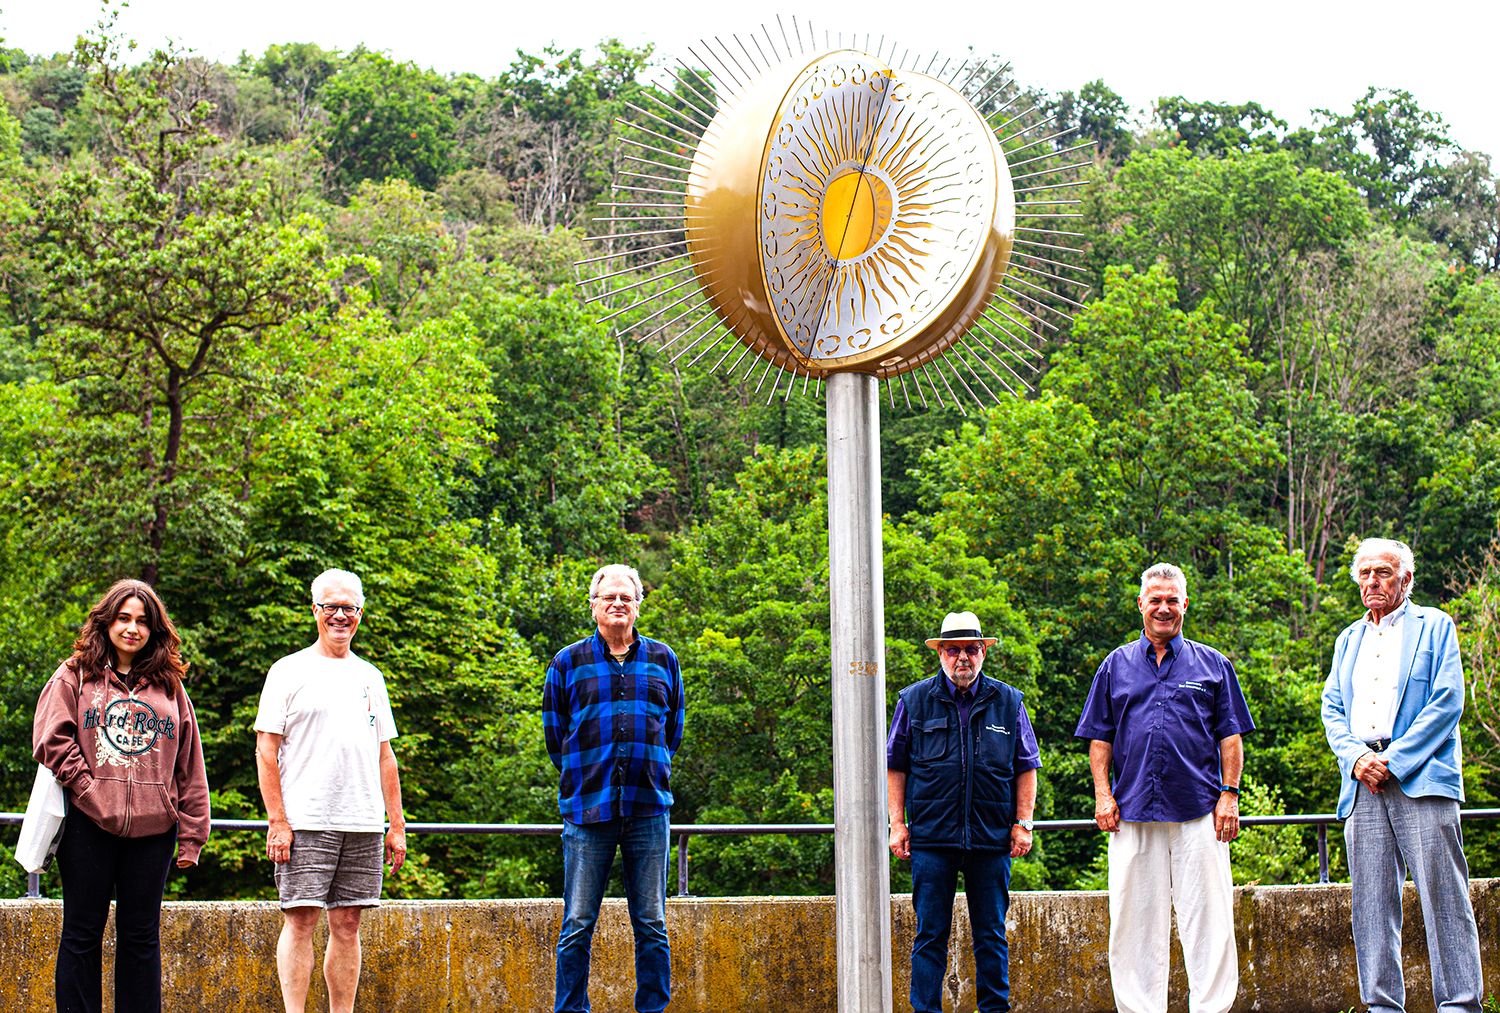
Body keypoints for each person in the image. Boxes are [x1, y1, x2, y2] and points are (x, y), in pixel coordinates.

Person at [1074, 562, 1254, 1013]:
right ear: (1140, 604)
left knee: (1210, 921)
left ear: (1185, 604)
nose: (1163, 607)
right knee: (1132, 923)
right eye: (1155, 599)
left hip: (1200, 812)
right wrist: (1102, 794)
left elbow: (1230, 739)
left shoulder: (1214, 665)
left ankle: (1211, 1009)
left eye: (1172, 599)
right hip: (1131, 810)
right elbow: (1101, 740)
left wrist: (1230, 796)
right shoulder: (1115, 665)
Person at [1320, 537, 1483, 1013]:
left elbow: (1447, 702)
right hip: (1362, 782)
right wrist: (1355, 759)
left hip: (1420, 777)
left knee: (1444, 898)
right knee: (1371, 905)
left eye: (1383, 572)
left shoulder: (1435, 626)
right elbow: (1332, 707)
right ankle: (1382, 1006)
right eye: (1365, 572)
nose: (1372, 580)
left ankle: (1459, 1005)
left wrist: (1393, 760)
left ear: (1405, 579)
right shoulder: (1348, 638)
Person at [33, 578, 211, 1013]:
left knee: (141, 937)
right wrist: (89, 789)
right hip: (87, 824)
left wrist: (192, 834)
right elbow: (51, 739)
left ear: (154, 630)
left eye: (143, 621)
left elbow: (190, 763)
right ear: (107, 621)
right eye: (124, 618)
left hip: (155, 828)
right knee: (80, 933)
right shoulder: (74, 675)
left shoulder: (170, 687)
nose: (132, 628)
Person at [254, 568, 405, 1013]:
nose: (341, 615)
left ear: (360, 613)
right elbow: (265, 751)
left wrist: (395, 824)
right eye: (332, 607)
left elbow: (385, 757)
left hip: (362, 821)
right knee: (301, 919)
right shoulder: (288, 670)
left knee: (349, 923)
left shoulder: (370, 676)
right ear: (315, 610)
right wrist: (278, 822)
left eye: (350, 607)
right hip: (305, 820)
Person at [543, 563, 685, 1013]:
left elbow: (673, 730)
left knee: (652, 923)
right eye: (609, 597)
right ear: (594, 606)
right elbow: (555, 734)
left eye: (627, 597)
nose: (618, 603)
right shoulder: (567, 662)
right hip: (588, 810)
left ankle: (652, 1010)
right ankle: (571, 1011)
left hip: (648, 809)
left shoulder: (664, 659)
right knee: (578, 923)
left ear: (639, 605)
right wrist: (582, 778)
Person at [887, 610, 1039, 1013]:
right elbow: (896, 765)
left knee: (991, 936)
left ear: (983, 653)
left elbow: (1027, 767)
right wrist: (897, 824)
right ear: (940, 653)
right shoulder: (914, 700)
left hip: (990, 840)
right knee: (929, 935)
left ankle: (994, 1010)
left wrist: (1023, 823)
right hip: (932, 840)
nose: (962, 658)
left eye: (971, 650)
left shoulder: (1009, 702)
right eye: (953, 650)